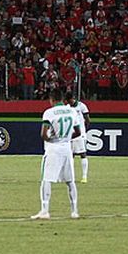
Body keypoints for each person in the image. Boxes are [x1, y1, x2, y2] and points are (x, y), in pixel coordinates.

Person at [31, 89, 80, 220]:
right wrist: (66, 138)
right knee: (70, 181)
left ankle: (45, 210)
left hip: (53, 148)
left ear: (52, 100)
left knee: (46, 179)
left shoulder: (49, 112)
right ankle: (74, 211)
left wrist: (52, 139)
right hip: (67, 149)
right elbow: (78, 132)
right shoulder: (72, 111)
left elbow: (43, 134)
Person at [66, 93, 90, 183]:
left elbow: (88, 120)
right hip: (71, 134)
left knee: (82, 154)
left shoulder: (82, 106)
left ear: (74, 98)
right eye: (68, 101)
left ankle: (84, 176)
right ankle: (71, 176)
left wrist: (83, 130)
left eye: (70, 100)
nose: (69, 102)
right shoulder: (67, 108)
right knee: (71, 155)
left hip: (80, 134)